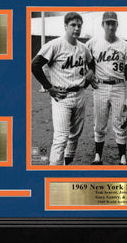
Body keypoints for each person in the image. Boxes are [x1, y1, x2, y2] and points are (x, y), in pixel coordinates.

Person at [31, 12, 96, 165]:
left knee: (75, 135)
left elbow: (92, 63)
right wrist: (49, 87)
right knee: (61, 138)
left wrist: (90, 73)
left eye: (79, 25)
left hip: (80, 94)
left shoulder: (83, 48)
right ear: (65, 26)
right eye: (73, 25)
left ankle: (67, 166)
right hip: (62, 96)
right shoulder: (55, 45)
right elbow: (35, 65)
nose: (77, 28)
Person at [86, 12, 127, 165]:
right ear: (102, 25)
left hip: (119, 86)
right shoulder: (92, 43)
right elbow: (86, 62)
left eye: (113, 23)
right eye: (108, 23)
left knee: (120, 124)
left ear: (117, 25)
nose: (111, 26)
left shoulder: (125, 46)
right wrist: (90, 73)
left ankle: (122, 157)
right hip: (100, 87)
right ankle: (98, 156)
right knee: (99, 124)